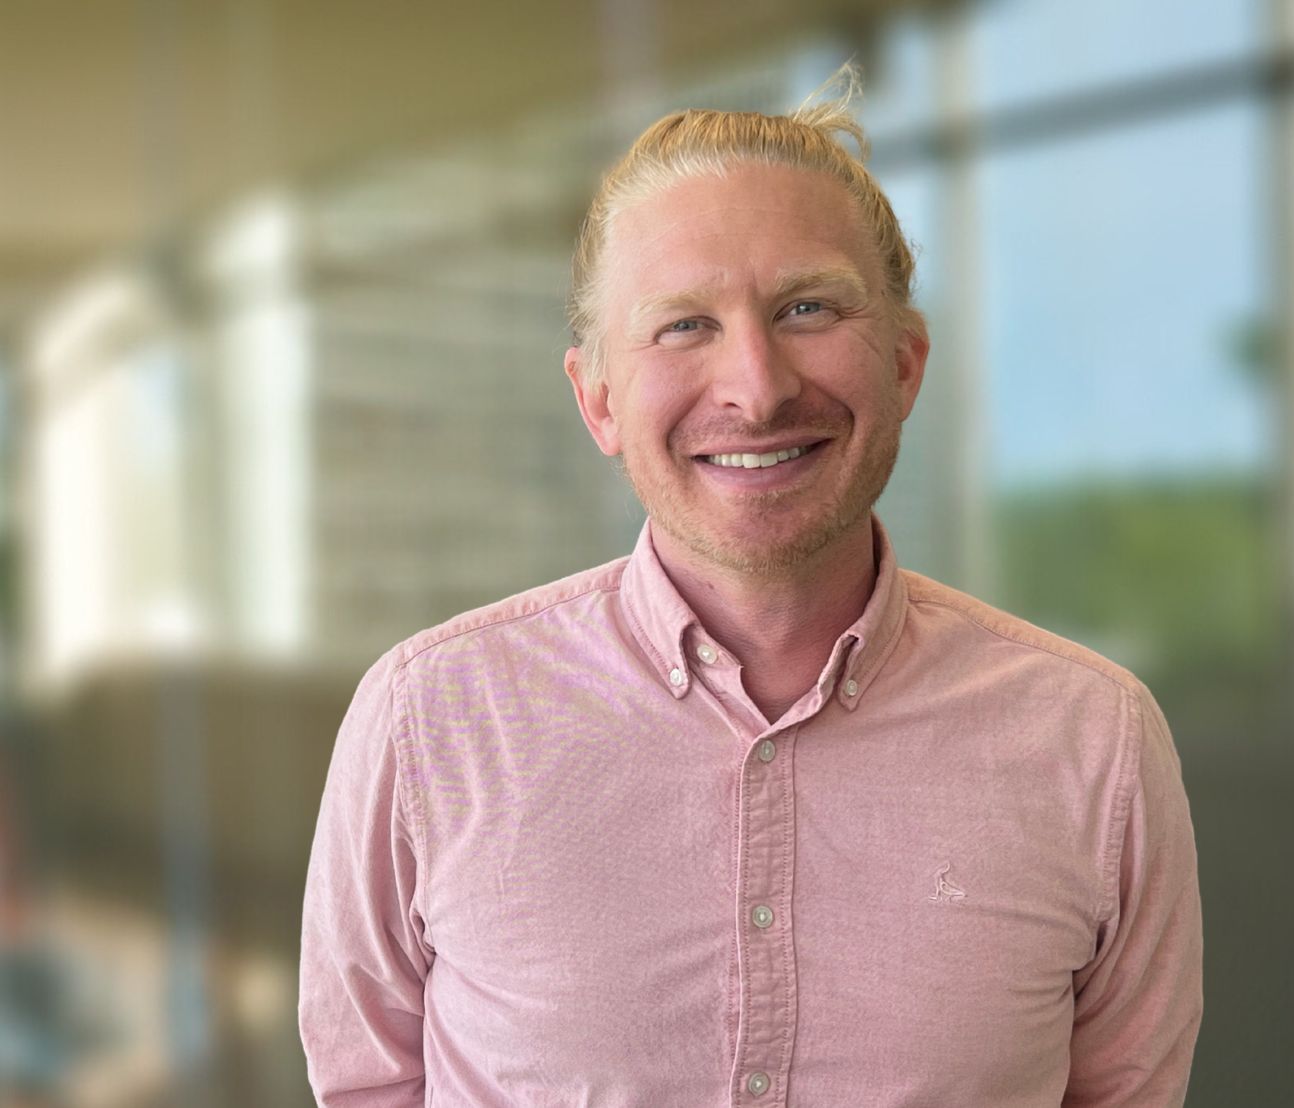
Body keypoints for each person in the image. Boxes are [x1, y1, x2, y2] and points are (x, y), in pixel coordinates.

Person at [299, 69, 1203, 1107]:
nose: (759, 388)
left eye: (807, 308)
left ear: (906, 365)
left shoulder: (1095, 744)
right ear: (599, 401)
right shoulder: (428, 722)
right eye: (684, 324)